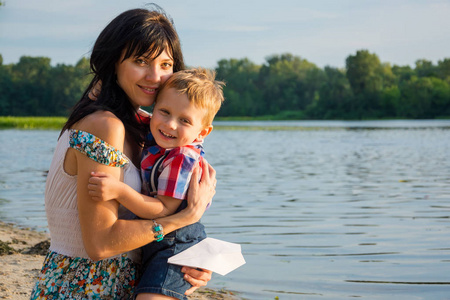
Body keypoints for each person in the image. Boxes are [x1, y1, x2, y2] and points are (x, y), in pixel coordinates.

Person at [30, 7, 215, 299]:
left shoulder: (146, 132)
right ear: (114, 62)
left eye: (166, 64)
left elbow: (142, 227)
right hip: (83, 287)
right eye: (141, 61)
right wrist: (184, 218)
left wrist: (190, 261)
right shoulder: (104, 125)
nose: (155, 76)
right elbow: (100, 245)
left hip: (125, 283)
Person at [87, 67, 225, 300]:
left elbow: (163, 209)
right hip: (157, 241)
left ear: (203, 132)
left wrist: (120, 191)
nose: (170, 124)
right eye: (164, 112)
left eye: (184, 120)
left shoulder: (182, 157)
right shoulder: (160, 134)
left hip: (176, 245)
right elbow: (117, 107)